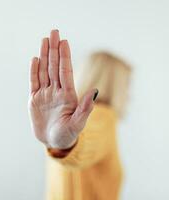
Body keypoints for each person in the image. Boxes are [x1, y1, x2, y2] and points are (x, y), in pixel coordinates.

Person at [28, 29, 131, 200]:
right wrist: (67, 145)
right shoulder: (103, 116)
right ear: (115, 85)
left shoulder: (66, 122)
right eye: (126, 85)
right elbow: (88, 141)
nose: (128, 94)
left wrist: (63, 145)